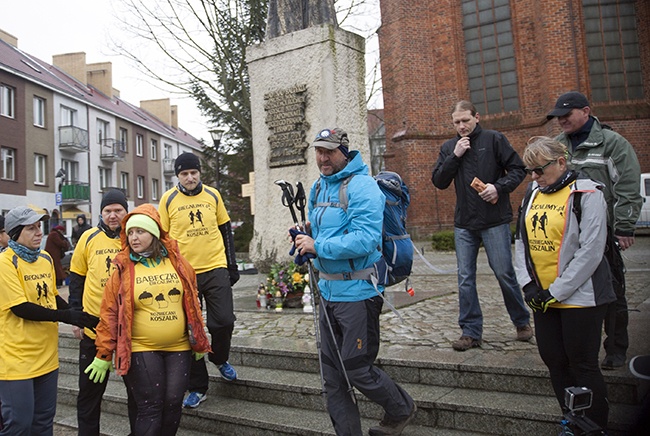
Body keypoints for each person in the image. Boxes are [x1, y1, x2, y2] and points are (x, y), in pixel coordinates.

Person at [293, 128, 416, 436]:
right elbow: (321, 229)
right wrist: (304, 234)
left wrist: (318, 246)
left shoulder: (363, 187)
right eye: (319, 151)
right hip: (328, 291)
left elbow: (365, 240)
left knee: (356, 367)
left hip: (358, 292)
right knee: (332, 376)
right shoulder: (318, 188)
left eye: (329, 151)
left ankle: (401, 409)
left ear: (344, 152)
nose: (323, 157)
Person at [514, 136, 615, 430]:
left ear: (561, 162)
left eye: (539, 170)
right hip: (542, 295)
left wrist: (555, 291)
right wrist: (528, 285)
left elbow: (591, 251)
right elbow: (521, 241)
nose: (534, 177)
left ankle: (594, 424)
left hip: (581, 297)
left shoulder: (588, 193)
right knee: (554, 361)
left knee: (582, 363)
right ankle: (572, 421)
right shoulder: (533, 193)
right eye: (529, 171)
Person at [85, 204, 211, 436]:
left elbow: (193, 303)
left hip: (179, 347)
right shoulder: (122, 270)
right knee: (150, 406)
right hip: (142, 348)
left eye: (140, 231)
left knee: (173, 403)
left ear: (154, 233)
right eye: (130, 232)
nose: (134, 237)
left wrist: (199, 339)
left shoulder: (179, 264)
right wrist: (104, 353)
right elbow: (109, 314)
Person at [547, 91, 642, 370]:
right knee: (569, 290)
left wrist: (624, 225)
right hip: (565, 235)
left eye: (567, 114)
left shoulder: (612, 144)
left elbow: (627, 186)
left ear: (586, 111)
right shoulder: (556, 146)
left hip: (602, 235)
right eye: (558, 116)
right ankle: (574, 348)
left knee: (611, 292)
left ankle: (615, 348)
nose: (561, 119)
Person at [431, 100, 532, 351]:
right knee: (465, 278)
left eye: (466, 120)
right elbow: (439, 181)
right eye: (457, 122)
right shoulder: (449, 147)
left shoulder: (494, 139)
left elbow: (519, 169)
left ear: (477, 117)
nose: (462, 126)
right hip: (464, 223)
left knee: (503, 273)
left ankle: (521, 321)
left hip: (494, 220)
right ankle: (470, 331)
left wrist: (498, 187)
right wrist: (455, 156)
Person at [0, 206, 98, 435]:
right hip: (16, 360)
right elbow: (20, 308)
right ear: (15, 233)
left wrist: (79, 315)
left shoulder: (44, 258)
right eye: (31, 228)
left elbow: (51, 297)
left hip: (47, 356)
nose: (38, 233)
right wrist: (66, 316)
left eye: (39, 227)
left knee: (44, 422)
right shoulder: (5, 262)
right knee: (19, 424)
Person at [159, 152, 240, 409]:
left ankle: (220, 358)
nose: (190, 177)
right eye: (184, 174)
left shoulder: (213, 195)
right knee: (192, 331)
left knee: (224, 320)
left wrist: (231, 264)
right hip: (184, 273)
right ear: (178, 176)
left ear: (200, 173)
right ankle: (197, 387)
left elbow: (225, 230)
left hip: (215, 267)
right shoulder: (168, 199)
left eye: (194, 172)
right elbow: (162, 238)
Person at [68, 189, 131, 435]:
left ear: (126, 212)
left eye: (118, 210)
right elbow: (76, 279)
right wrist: (76, 317)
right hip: (94, 324)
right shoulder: (88, 238)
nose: (113, 215)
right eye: (108, 211)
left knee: (136, 389)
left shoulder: (134, 236)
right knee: (90, 391)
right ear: (101, 213)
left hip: (128, 324)